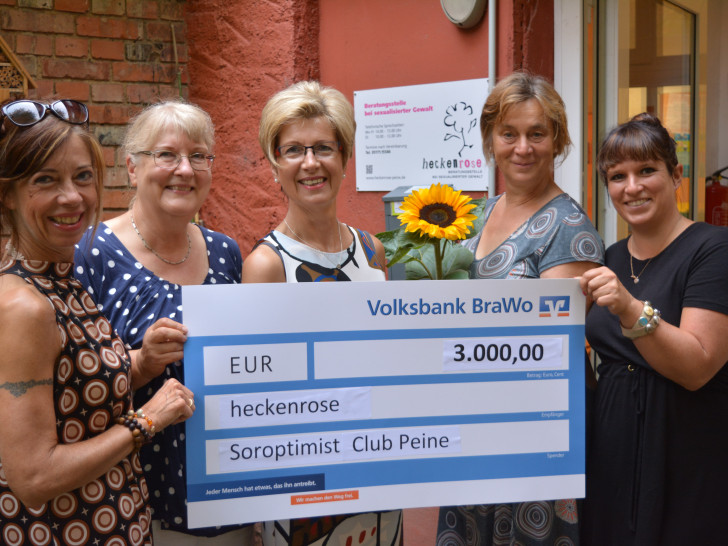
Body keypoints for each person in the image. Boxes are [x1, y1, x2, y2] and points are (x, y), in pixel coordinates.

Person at [0, 98, 195, 544]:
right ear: (6, 193)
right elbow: (33, 475)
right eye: (45, 180)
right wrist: (147, 419)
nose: (72, 197)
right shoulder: (24, 306)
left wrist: (142, 361)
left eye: (83, 176)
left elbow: (70, 387)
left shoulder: (60, 279)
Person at [436, 71, 605, 545]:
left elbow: (550, 346)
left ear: (557, 141)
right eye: (508, 134)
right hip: (470, 424)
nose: (522, 147)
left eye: (537, 134)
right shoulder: (479, 214)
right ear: (491, 140)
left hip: (530, 437)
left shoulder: (569, 227)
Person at [73, 100, 250, 543]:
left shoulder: (226, 251)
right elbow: (68, 390)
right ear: (132, 168)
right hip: (130, 496)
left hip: (227, 489)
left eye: (199, 156)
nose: (185, 169)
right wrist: (142, 362)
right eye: (167, 155)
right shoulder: (90, 254)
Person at [242, 81, 399, 545]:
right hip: (304, 481)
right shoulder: (266, 265)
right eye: (293, 149)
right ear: (275, 167)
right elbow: (256, 391)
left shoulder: (373, 251)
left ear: (345, 160)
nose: (310, 163)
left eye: (323, 148)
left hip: (375, 466)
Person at [579, 113, 728, 545]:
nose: (632, 187)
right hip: (612, 457)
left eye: (647, 170)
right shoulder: (609, 256)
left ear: (676, 175)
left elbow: (697, 365)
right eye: (617, 176)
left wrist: (628, 307)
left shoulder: (713, 249)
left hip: (685, 455)